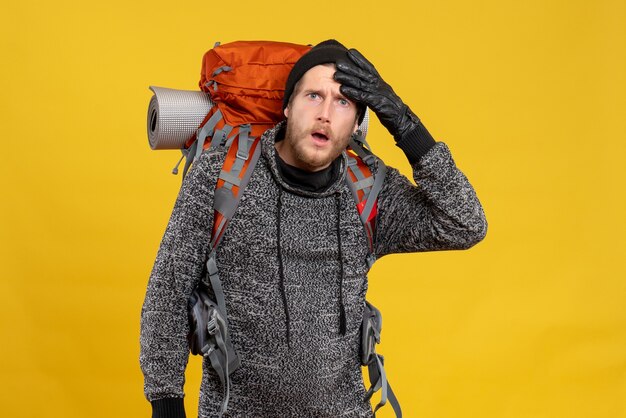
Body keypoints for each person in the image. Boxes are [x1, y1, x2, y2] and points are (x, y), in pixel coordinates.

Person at [140, 39, 487, 418]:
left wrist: (405, 124)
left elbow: (465, 223)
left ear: (356, 124)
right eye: (313, 96)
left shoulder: (370, 190)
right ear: (287, 107)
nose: (325, 114)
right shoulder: (221, 176)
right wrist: (166, 403)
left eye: (342, 102)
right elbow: (169, 293)